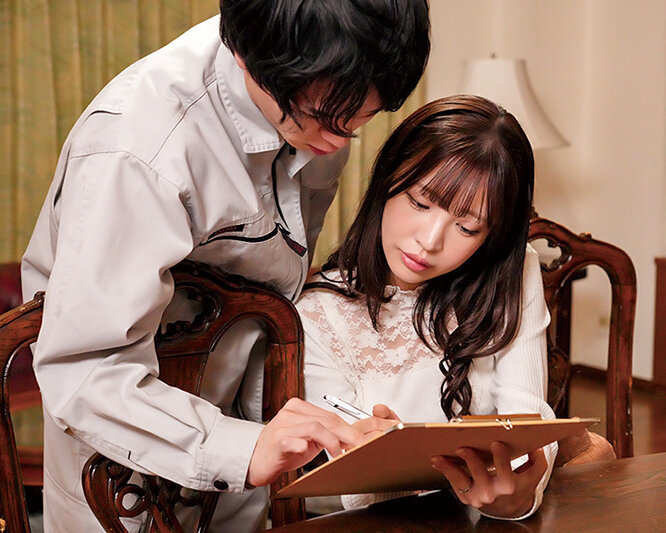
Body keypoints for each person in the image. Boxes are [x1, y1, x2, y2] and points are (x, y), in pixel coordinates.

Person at [20, 1, 430, 531]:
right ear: (247, 57)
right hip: (122, 443)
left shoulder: (323, 99)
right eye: (321, 116)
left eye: (360, 120)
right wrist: (238, 447)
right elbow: (85, 372)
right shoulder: (140, 150)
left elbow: (279, 291)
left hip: (245, 421)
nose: (337, 140)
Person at [297, 95, 557, 520]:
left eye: (467, 227)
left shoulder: (511, 274)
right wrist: (377, 460)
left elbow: (528, 420)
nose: (430, 241)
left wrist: (516, 498)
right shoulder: (317, 312)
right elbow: (347, 491)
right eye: (420, 203)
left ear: (492, 237)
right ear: (386, 180)